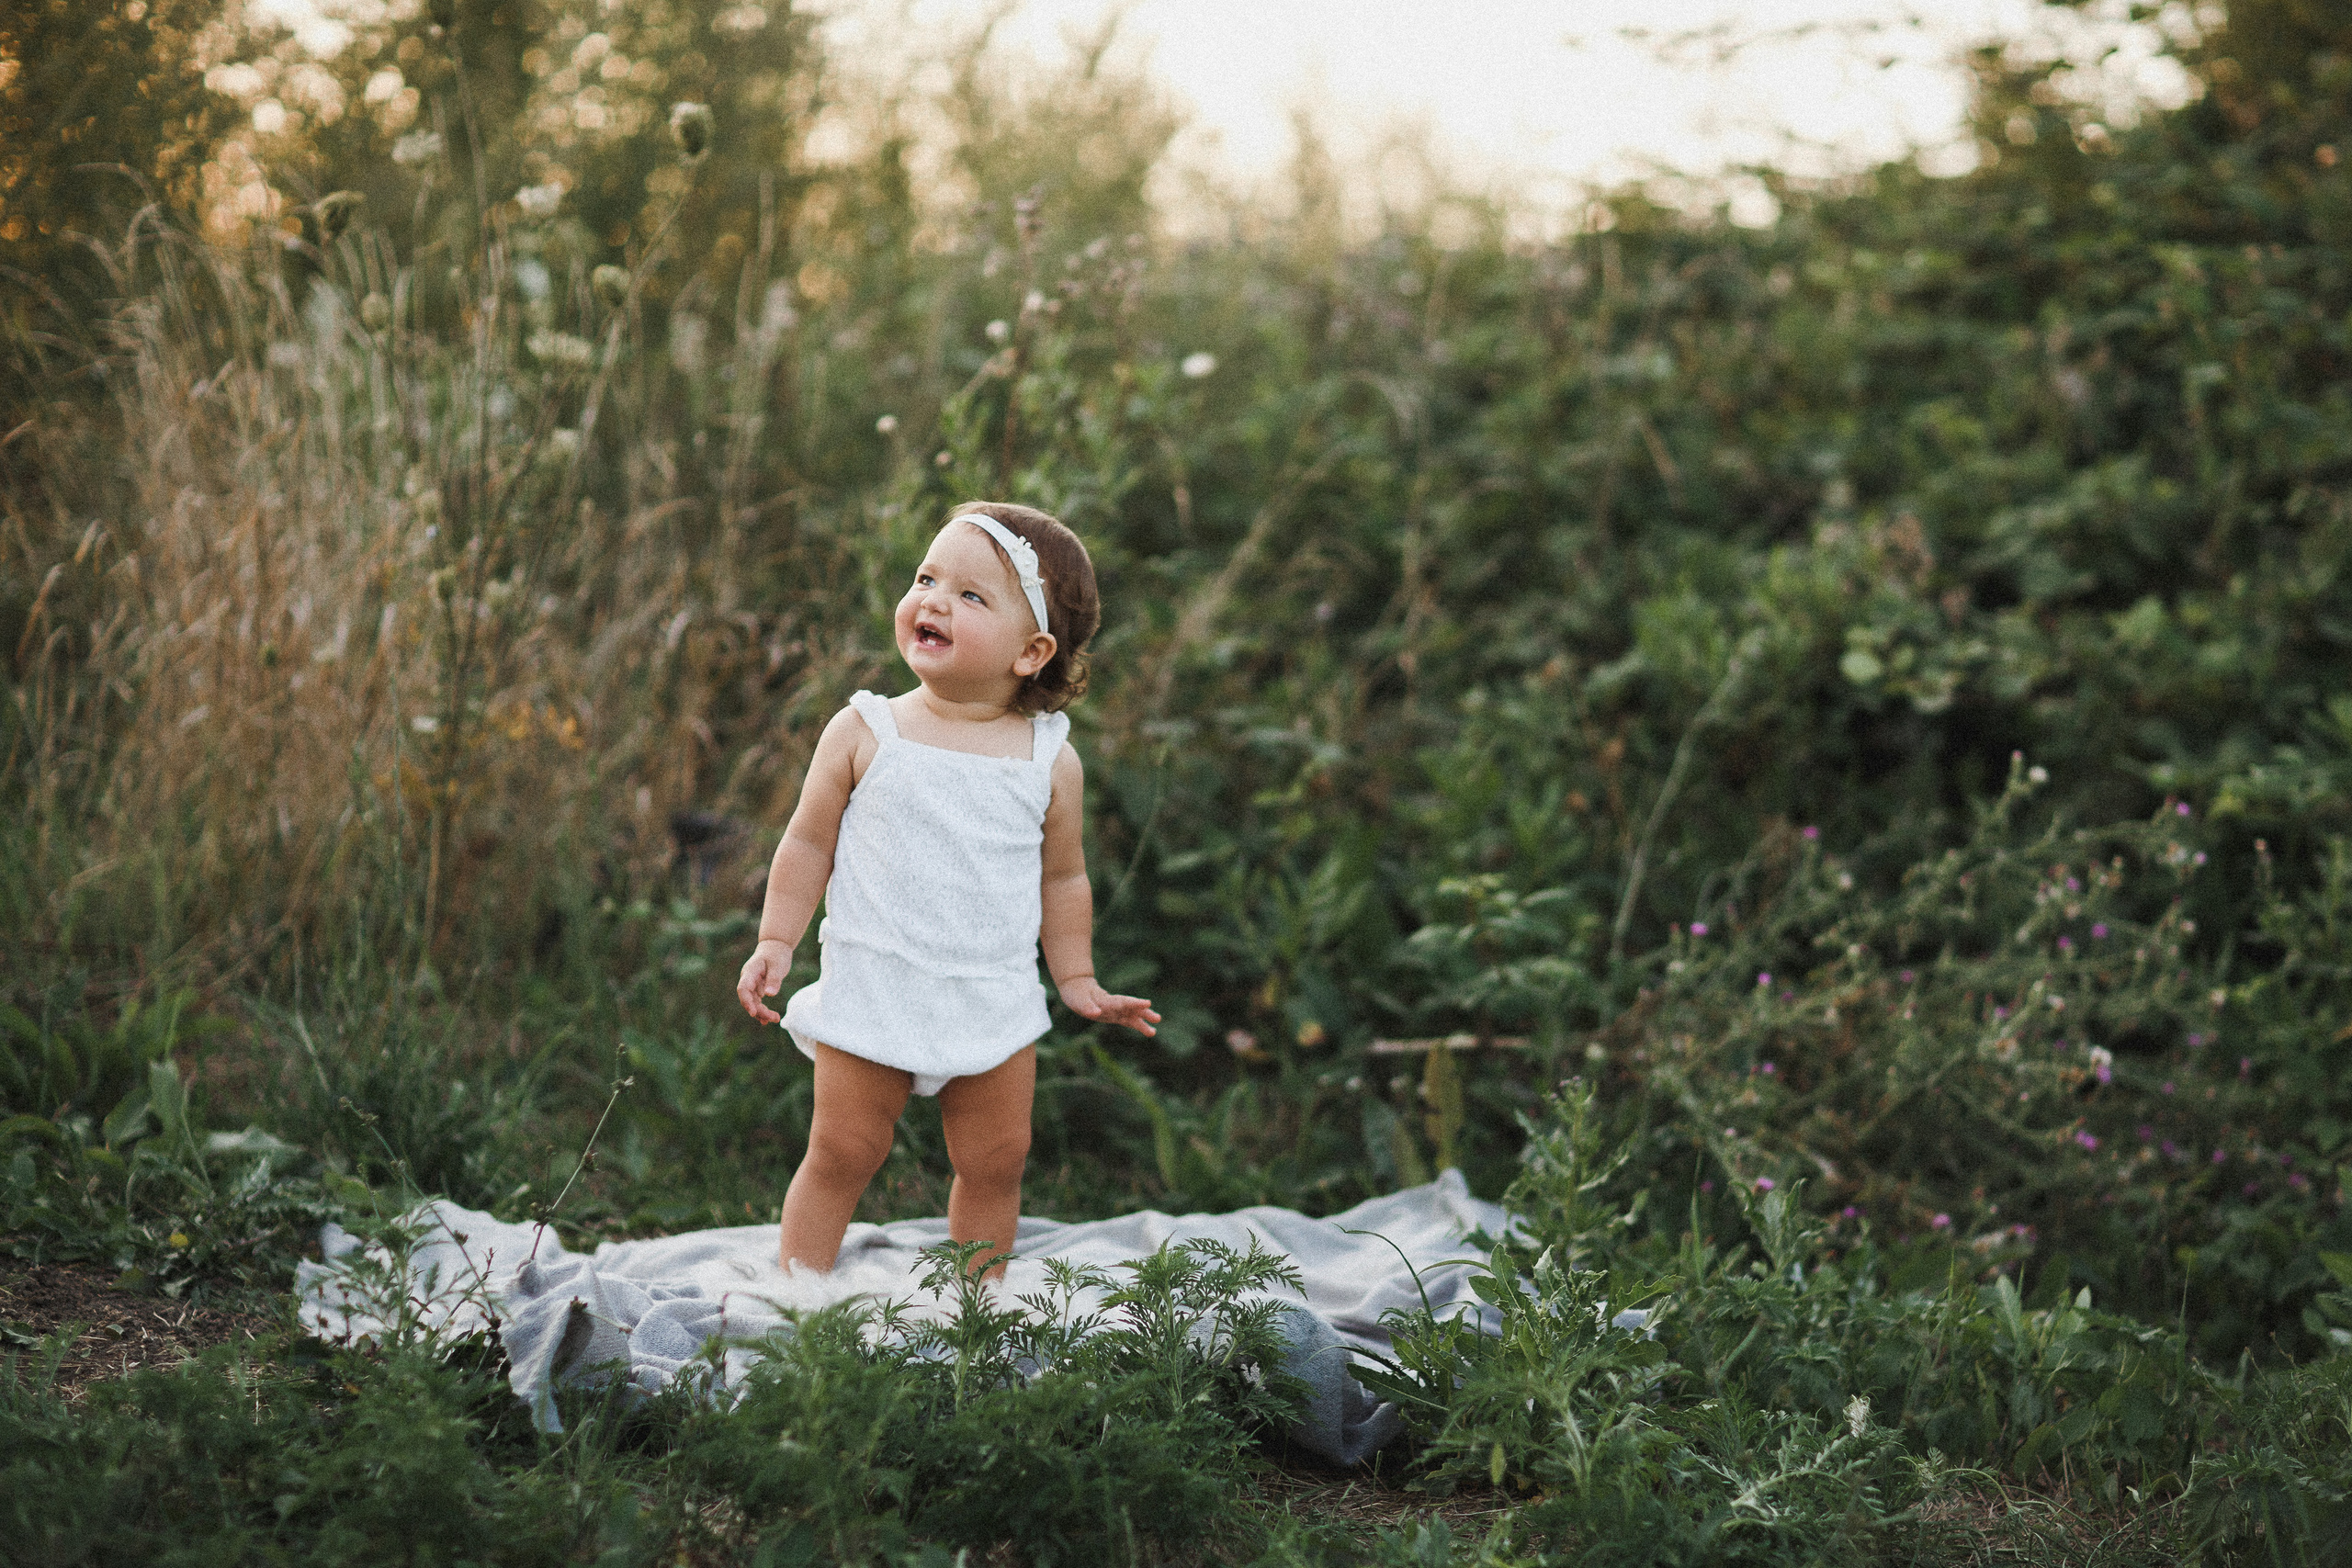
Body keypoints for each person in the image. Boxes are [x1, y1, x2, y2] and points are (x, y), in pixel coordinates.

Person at [735, 502, 1159, 1279]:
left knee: (997, 1159)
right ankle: (795, 1295)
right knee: (844, 1148)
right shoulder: (868, 730)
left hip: (991, 992)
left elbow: (1063, 878)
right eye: (927, 577)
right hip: (877, 978)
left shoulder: (1047, 759)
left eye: (970, 595)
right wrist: (775, 940)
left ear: (1032, 652)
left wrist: (1077, 976)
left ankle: (977, 1305)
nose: (931, 599)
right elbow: (807, 841)